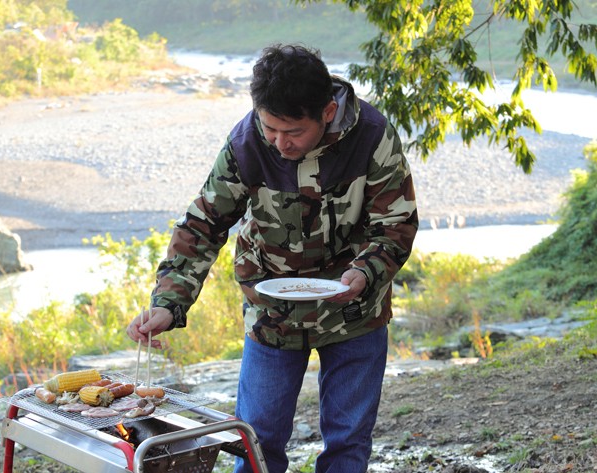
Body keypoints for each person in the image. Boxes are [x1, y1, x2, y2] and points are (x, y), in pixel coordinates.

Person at [127, 43, 418, 473]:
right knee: (257, 440)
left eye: (293, 133)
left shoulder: (372, 136)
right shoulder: (247, 142)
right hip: (271, 312)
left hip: (355, 309)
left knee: (349, 440)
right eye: (270, 129)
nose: (280, 144)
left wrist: (365, 271)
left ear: (326, 112)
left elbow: (395, 224)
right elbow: (204, 224)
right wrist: (168, 303)